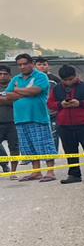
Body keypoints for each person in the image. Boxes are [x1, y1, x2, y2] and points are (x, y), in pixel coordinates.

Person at [1, 53, 56, 181]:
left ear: (32, 63)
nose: (22, 67)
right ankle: (36, 172)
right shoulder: (16, 79)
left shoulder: (40, 76)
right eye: (19, 65)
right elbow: (8, 96)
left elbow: (35, 91)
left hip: (38, 117)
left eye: (25, 64)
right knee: (28, 146)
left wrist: (17, 90)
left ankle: (50, 172)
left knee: (45, 144)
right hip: (20, 118)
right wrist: (25, 92)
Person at [49, 65, 84, 183]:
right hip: (65, 126)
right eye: (65, 80)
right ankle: (74, 175)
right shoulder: (56, 89)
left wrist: (80, 103)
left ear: (76, 76)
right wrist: (60, 105)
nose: (68, 82)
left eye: (71, 79)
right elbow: (50, 104)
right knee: (70, 151)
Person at [0, 64, 19, 174]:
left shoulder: (15, 86)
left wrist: (4, 100)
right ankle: (4, 163)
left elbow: (17, 100)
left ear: (10, 75)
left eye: (5, 74)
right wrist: (7, 99)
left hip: (13, 122)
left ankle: (14, 172)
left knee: (14, 148)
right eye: (0, 74)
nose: (2, 76)